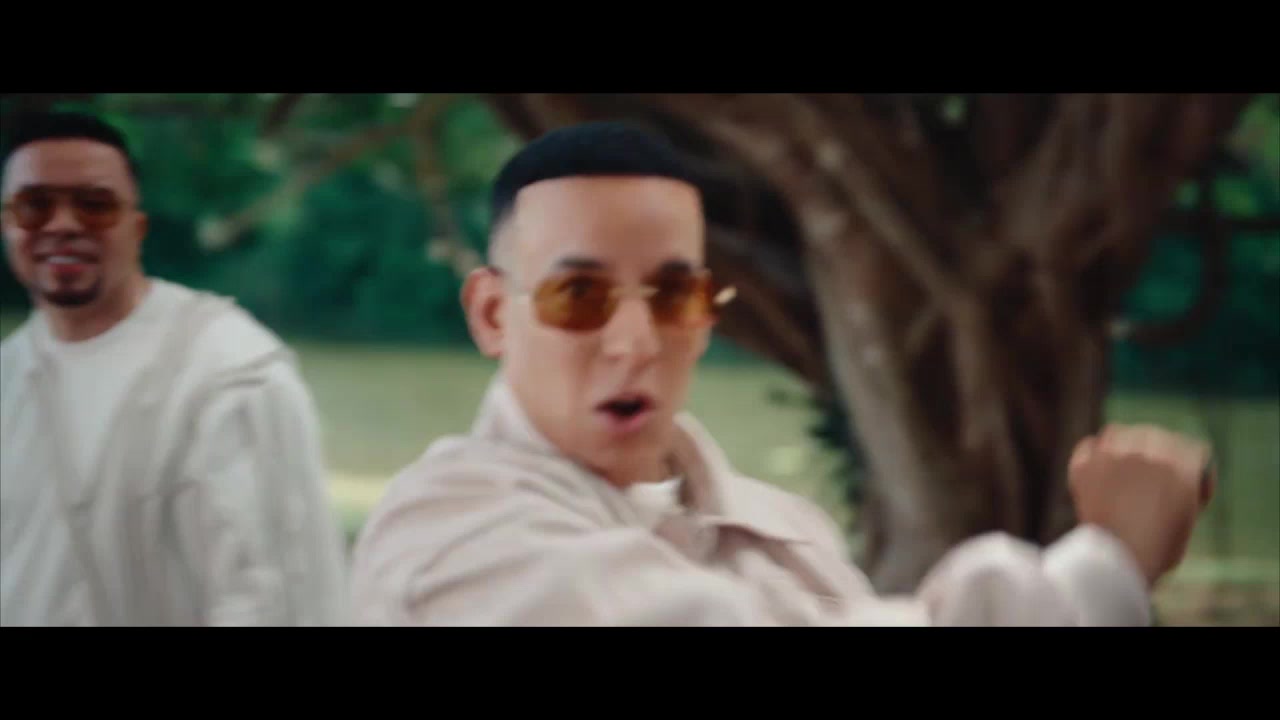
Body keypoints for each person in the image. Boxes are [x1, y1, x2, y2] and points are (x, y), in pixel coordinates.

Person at [348, 121, 1214, 626]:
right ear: (493, 314)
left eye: (673, 294)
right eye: (579, 295)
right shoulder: (448, 536)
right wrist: (1104, 569)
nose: (635, 341)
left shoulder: (781, 530)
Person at [0, 111, 348, 626]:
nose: (63, 224)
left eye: (94, 205)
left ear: (136, 227)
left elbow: (275, 600)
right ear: (8, 225)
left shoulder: (229, 373)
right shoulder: (10, 374)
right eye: (34, 206)